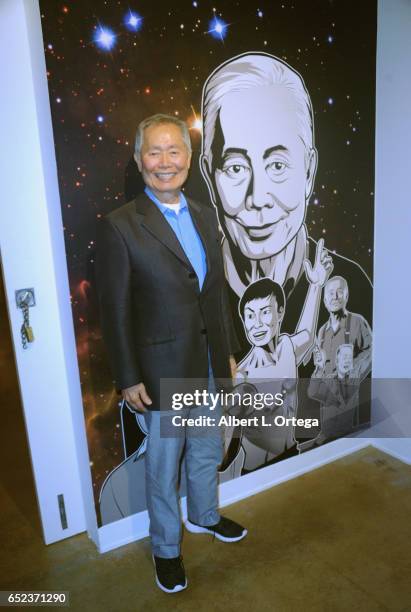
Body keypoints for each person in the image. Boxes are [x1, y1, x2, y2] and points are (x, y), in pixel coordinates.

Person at [96, 114, 246, 594]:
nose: (165, 162)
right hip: (161, 373)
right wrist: (128, 375)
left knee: (205, 451)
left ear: (188, 158)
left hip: (206, 365)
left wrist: (226, 352)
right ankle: (166, 549)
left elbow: (215, 293)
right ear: (139, 161)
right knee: (163, 469)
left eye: (174, 151)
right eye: (154, 152)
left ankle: (204, 515)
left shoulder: (204, 214)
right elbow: (114, 309)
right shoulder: (121, 226)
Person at [200, 52, 373, 365]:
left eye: (277, 165)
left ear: (309, 173)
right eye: (236, 168)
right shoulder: (196, 288)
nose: (257, 198)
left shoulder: (351, 285)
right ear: (210, 176)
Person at [234, 239, 332, 469]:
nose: (256, 324)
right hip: (256, 470)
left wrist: (316, 284)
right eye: (249, 316)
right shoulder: (243, 374)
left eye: (264, 312)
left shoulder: (287, 347)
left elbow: (307, 334)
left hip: (290, 455)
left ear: (280, 313)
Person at [315, 276, 372, 379]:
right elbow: (320, 366)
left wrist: (352, 375)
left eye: (340, 292)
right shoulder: (322, 332)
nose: (335, 297)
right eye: (331, 293)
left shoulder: (357, 322)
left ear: (346, 296)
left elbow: (371, 352)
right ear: (325, 301)